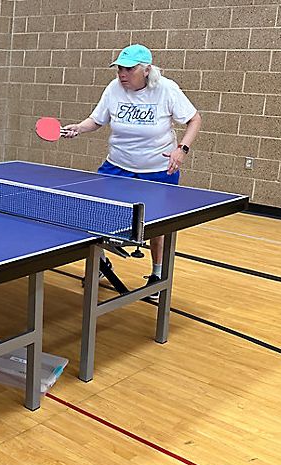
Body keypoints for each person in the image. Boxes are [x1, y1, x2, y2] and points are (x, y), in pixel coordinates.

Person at [62, 44, 202, 302]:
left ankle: (157, 275)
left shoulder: (166, 89)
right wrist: (79, 128)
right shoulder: (113, 89)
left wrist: (181, 150)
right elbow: (97, 120)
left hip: (158, 170)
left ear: (146, 70)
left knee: (158, 226)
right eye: (119, 69)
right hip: (117, 166)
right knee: (97, 213)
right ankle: (101, 265)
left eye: (128, 69)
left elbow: (194, 119)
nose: (121, 74)